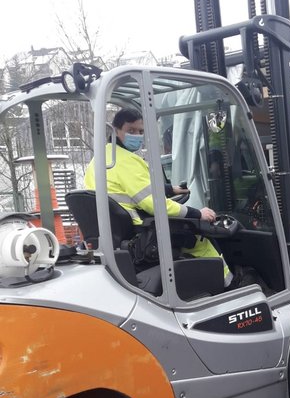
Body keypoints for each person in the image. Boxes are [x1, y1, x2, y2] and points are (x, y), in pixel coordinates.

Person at [84, 108, 232, 285]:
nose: (137, 136)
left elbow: (132, 190)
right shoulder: (127, 161)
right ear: (116, 130)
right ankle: (228, 285)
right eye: (131, 131)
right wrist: (198, 213)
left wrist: (170, 189)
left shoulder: (101, 158)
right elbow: (155, 205)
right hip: (143, 232)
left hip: (118, 234)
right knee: (201, 241)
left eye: (140, 132)